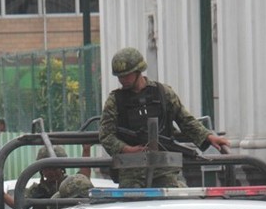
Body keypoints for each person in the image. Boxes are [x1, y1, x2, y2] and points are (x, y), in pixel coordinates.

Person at [99, 47, 231, 187]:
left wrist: (208, 137)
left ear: (138, 71)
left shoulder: (163, 93)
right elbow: (106, 135)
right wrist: (127, 149)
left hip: (164, 167)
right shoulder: (115, 100)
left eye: (126, 75)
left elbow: (185, 120)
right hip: (131, 170)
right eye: (120, 77)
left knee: (176, 195)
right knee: (131, 197)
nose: (122, 80)